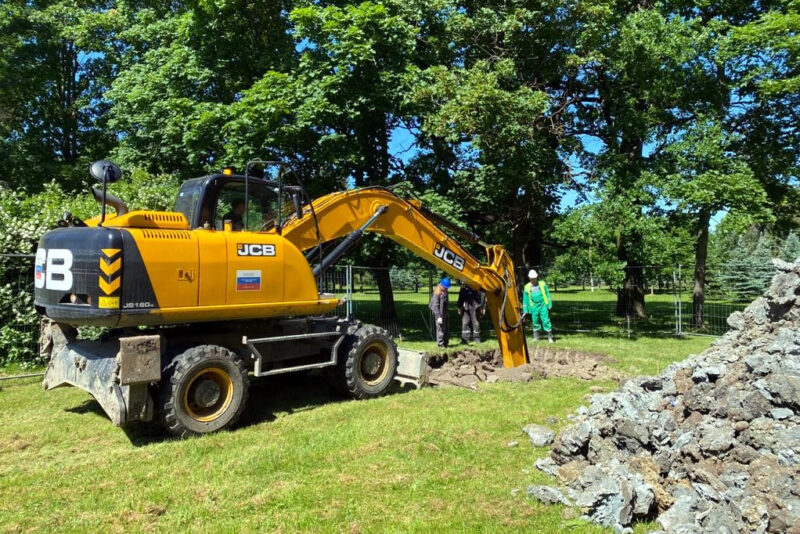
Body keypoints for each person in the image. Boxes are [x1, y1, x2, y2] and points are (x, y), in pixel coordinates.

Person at [522, 269, 553, 343]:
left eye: (534, 278)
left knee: (546, 320)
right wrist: (525, 310)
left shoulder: (542, 284)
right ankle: (536, 337)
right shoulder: (527, 287)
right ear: (529, 278)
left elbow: (547, 294)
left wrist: (549, 304)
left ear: (536, 277)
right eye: (532, 278)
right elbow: (525, 299)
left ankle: (550, 337)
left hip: (543, 305)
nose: (533, 280)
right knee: (535, 321)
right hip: (534, 306)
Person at [429, 277, 451, 348]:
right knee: (440, 328)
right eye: (445, 288)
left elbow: (446, 302)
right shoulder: (437, 292)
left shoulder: (445, 290)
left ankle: (446, 343)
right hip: (437, 311)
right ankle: (440, 344)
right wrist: (438, 317)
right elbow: (435, 305)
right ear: (441, 285)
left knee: (446, 327)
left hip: (444, 310)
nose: (446, 289)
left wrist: (447, 312)